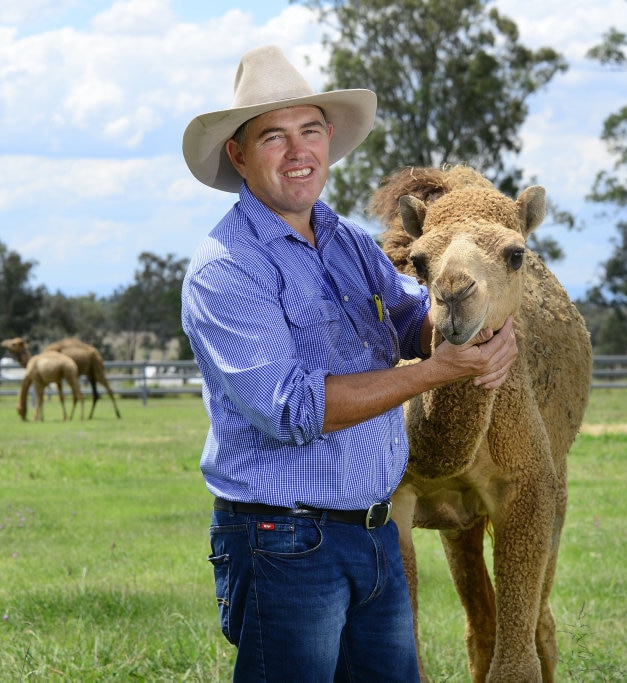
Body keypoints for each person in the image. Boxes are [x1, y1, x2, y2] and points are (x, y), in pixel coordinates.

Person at [180, 45, 518, 682]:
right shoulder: (228, 268)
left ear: (329, 138)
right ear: (239, 154)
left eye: (309, 130)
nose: (297, 150)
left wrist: (487, 326)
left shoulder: (346, 245)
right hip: (284, 540)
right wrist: (438, 372)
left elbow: (416, 316)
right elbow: (293, 409)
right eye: (273, 137)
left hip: (375, 532)